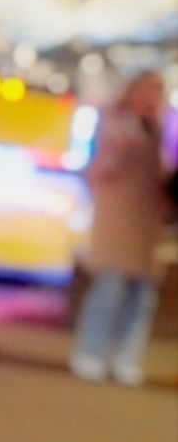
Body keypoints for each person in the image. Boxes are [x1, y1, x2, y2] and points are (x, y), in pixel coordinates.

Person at [70, 71, 173, 385]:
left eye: (158, 91)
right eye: (148, 90)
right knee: (110, 288)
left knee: (141, 295)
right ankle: (90, 352)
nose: (152, 98)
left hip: (148, 222)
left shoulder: (160, 127)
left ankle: (125, 356)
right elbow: (96, 169)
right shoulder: (114, 122)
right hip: (117, 219)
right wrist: (121, 149)